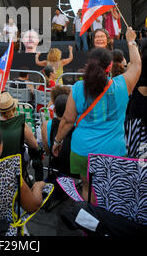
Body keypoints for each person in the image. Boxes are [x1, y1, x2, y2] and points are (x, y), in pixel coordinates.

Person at [52, 27, 141, 201]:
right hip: (113, 151)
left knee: (87, 187)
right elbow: (137, 65)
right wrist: (131, 40)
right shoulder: (123, 85)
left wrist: (57, 141)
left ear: (90, 63)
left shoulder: (78, 88)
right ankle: (109, 223)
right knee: (113, 189)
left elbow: (68, 120)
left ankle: (90, 225)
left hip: (83, 150)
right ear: (110, 66)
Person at [125, 39, 147, 158]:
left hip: (136, 110)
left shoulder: (135, 66)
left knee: (134, 151)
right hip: (138, 111)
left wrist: (131, 41)